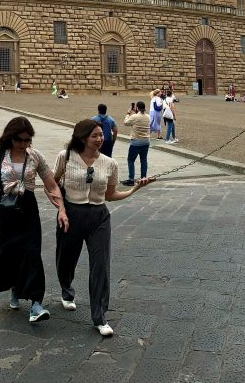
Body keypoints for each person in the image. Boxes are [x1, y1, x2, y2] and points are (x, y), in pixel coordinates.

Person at [42, 119, 156, 337]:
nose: (100, 139)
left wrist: (134, 190)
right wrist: (61, 209)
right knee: (66, 259)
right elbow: (52, 185)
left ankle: (100, 316)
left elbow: (110, 195)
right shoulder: (65, 156)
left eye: (101, 135)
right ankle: (67, 291)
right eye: (94, 135)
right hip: (71, 214)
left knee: (101, 264)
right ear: (83, 137)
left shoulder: (109, 163)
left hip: (99, 217)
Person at [0, 116, 55, 324]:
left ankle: (36, 304)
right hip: (7, 208)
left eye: (27, 140)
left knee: (32, 252)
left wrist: (60, 206)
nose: (23, 144)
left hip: (28, 207)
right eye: (19, 140)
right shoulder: (0, 153)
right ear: (10, 137)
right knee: (7, 252)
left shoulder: (35, 156)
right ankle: (15, 287)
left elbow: (51, 182)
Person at [121, 102, 151, 187]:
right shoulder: (148, 116)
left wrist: (128, 113)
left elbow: (126, 122)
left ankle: (131, 179)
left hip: (136, 141)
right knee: (143, 160)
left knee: (131, 160)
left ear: (137, 108)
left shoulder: (134, 117)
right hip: (146, 141)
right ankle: (143, 177)